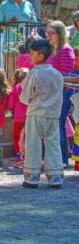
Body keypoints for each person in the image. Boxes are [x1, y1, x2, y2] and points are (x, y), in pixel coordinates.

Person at [19, 39, 64, 188]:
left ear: (40, 56)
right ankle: (55, 177)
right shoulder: (57, 74)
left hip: (36, 113)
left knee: (33, 144)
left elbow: (25, 97)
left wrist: (27, 99)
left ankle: (32, 178)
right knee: (53, 144)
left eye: (32, 53)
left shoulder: (34, 74)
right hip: (53, 114)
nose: (30, 56)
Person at [45, 20, 75, 165]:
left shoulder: (65, 50)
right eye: (47, 32)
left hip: (64, 91)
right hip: (53, 92)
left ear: (60, 33)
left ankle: (62, 158)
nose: (49, 35)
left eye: (52, 33)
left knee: (59, 123)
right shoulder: (52, 50)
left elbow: (65, 74)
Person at [7, 68, 29, 168]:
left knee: (17, 137)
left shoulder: (16, 87)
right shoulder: (30, 87)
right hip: (30, 115)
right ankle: (29, 157)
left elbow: (11, 104)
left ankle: (19, 157)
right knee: (29, 137)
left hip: (19, 116)